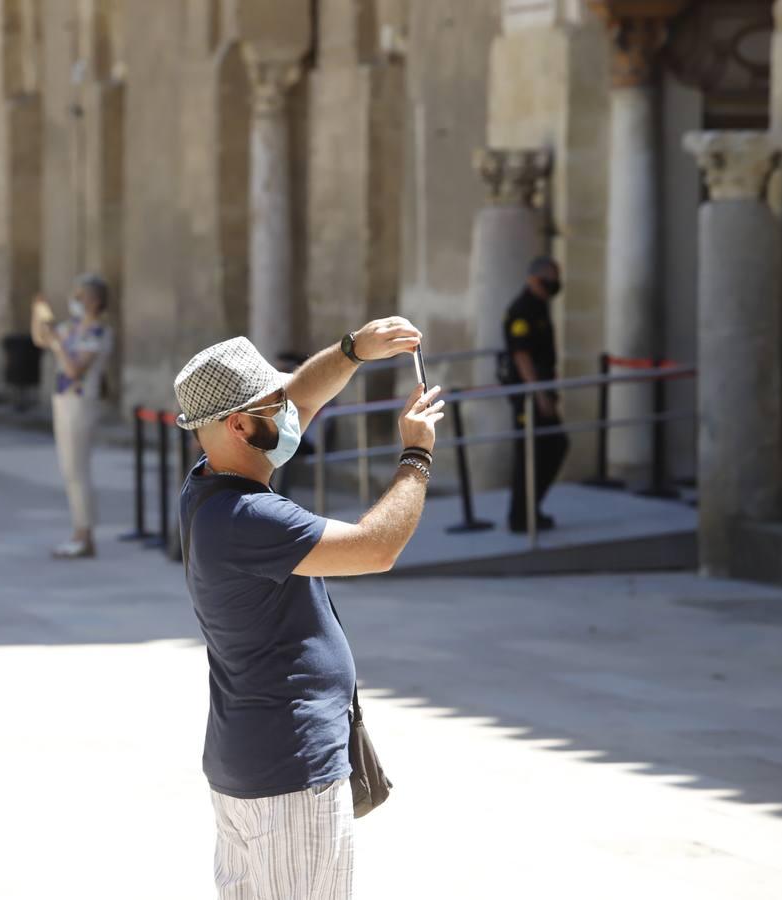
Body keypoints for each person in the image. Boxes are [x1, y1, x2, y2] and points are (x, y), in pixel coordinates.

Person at [173, 324, 443, 900]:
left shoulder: (208, 484)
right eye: (275, 406)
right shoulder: (248, 518)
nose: (291, 414)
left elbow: (302, 396)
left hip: (249, 764)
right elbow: (377, 548)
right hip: (290, 774)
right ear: (240, 425)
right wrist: (416, 456)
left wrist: (353, 351)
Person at [30, 273, 115, 559]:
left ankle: (84, 534)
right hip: (63, 401)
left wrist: (58, 343)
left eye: (81, 295)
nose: (76, 300)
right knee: (68, 469)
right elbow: (42, 338)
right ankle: (79, 530)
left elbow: (74, 369)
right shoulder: (73, 327)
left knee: (77, 469)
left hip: (81, 402)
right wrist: (38, 313)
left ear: (94, 300)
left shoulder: (98, 332)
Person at [502, 256, 569, 532]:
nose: (552, 284)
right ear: (533, 279)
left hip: (541, 390)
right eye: (547, 279)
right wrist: (538, 395)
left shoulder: (540, 306)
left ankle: (529, 510)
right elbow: (522, 356)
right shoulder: (523, 309)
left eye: (555, 279)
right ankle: (521, 517)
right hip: (529, 394)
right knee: (535, 451)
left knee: (550, 447)